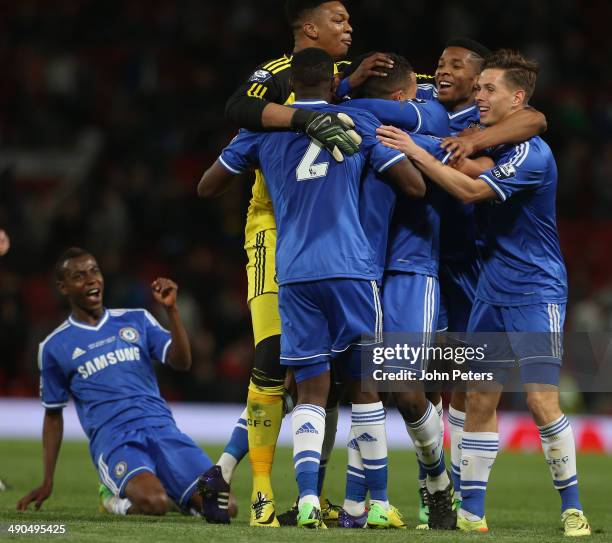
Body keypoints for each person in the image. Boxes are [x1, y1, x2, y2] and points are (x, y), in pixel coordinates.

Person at [199, 47, 425, 528]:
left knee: (309, 392)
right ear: (334, 82)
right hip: (350, 267)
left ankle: (304, 501)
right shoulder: (357, 121)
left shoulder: (262, 130)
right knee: (366, 387)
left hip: (294, 274)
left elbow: (207, 186)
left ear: (291, 88)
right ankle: (378, 504)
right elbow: (413, 184)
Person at [376, 49, 591, 537]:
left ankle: (573, 508)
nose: (479, 97)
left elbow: (470, 192)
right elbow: (472, 157)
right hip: (490, 288)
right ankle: (471, 513)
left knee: (540, 400)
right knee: (477, 396)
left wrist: (416, 152)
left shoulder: (534, 154)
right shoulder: (496, 136)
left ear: (515, 98)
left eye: (489, 90)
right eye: (479, 90)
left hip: (536, 289)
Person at [16, 248, 217, 518]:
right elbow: (53, 415)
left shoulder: (137, 319)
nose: (91, 279)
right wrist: (48, 480)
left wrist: (172, 311)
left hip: (163, 429)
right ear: (63, 287)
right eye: (79, 275)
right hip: (116, 441)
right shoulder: (54, 346)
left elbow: (182, 362)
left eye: (94, 271)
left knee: (223, 507)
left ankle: (178, 496)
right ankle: (112, 499)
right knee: (154, 504)